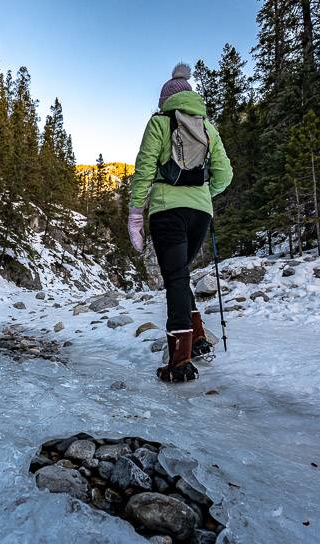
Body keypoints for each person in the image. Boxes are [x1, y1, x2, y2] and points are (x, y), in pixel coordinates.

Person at [127, 62, 233, 383]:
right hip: (200, 214)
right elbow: (225, 175)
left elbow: (145, 170)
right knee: (181, 275)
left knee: (174, 278)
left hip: (166, 212)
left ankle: (179, 362)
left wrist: (135, 215)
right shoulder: (207, 127)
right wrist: (202, 194)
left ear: (165, 102)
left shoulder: (159, 123)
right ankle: (198, 339)